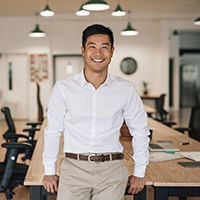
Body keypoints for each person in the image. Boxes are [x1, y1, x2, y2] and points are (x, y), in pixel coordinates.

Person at [42, 24, 149, 200]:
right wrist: (49, 170)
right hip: (74, 169)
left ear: (112, 51)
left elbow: (140, 131)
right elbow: (52, 131)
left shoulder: (126, 89)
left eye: (104, 47)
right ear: (83, 50)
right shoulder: (63, 88)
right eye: (92, 47)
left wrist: (139, 172)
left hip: (112, 170)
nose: (98, 53)